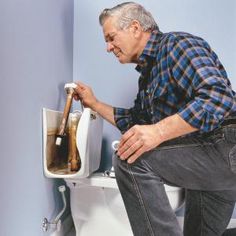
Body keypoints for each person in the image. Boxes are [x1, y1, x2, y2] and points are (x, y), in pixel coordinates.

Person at [73, 2, 236, 236]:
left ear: (136, 28)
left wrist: (157, 132)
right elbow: (135, 123)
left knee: (130, 158)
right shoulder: (149, 76)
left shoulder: (178, 46)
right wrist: (95, 104)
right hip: (207, 162)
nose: (108, 48)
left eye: (111, 38)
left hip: (225, 147)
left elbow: (218, 98)